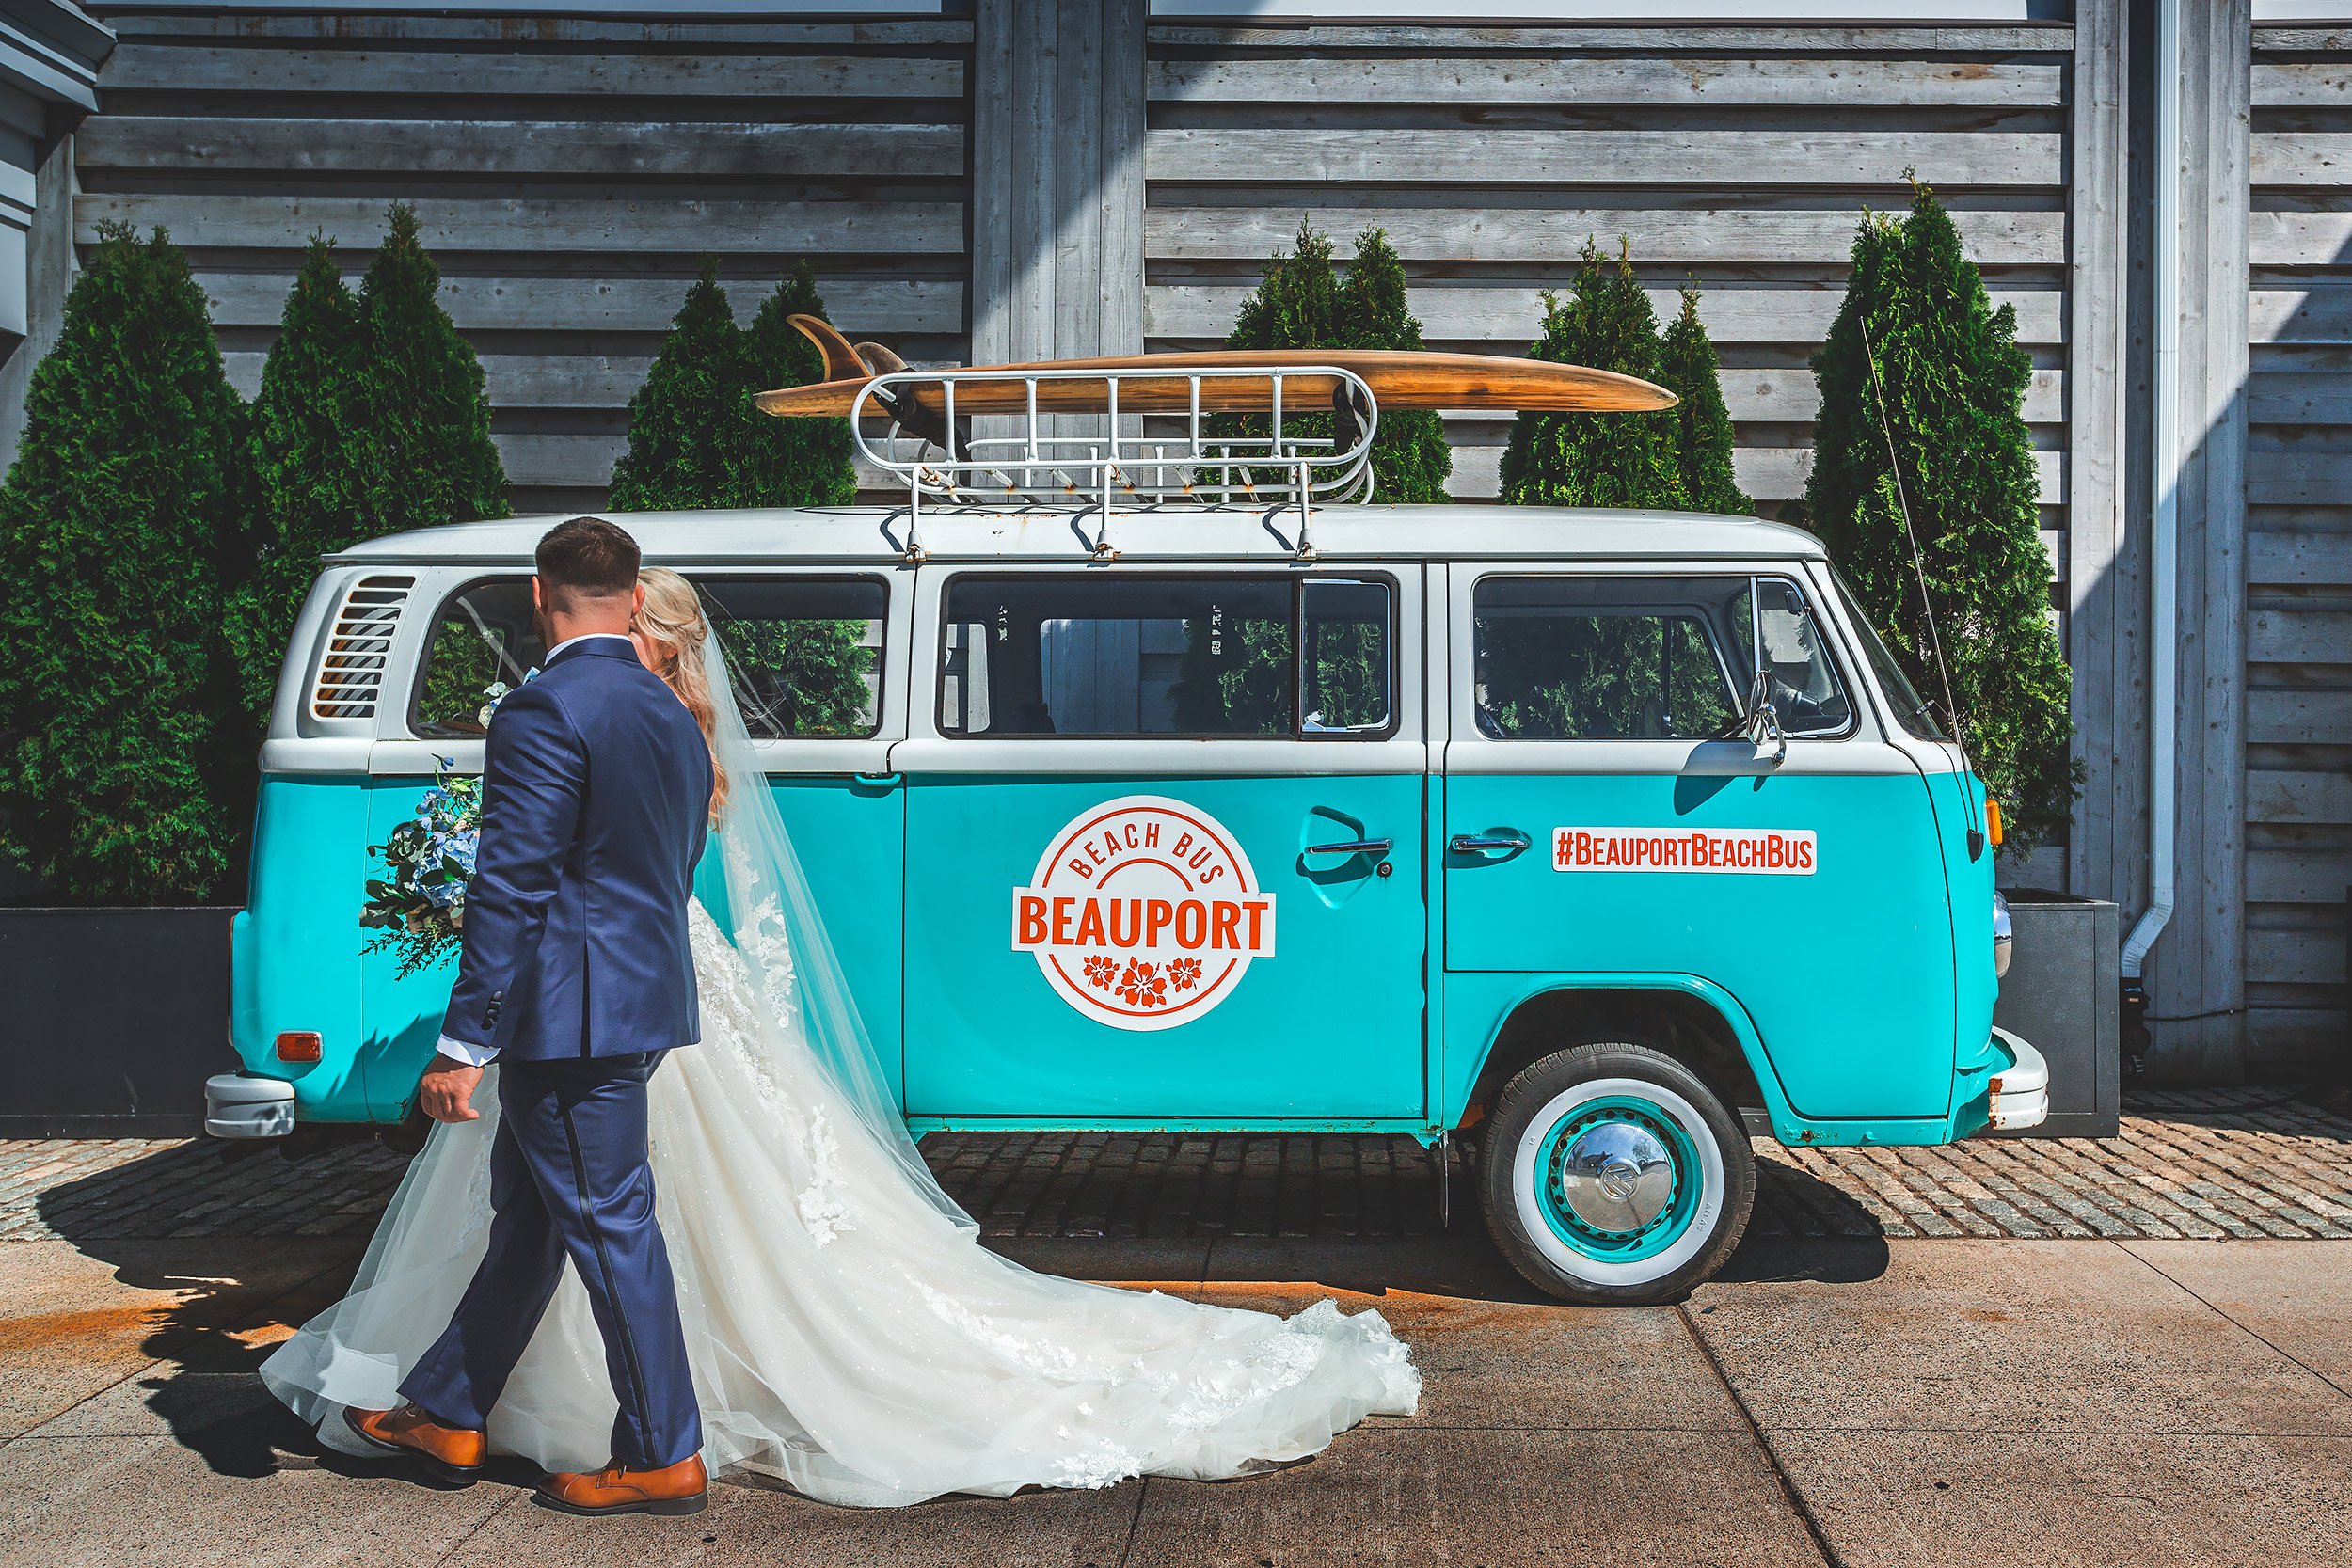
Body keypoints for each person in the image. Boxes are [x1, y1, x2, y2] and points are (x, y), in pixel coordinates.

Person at [264, 543, 1419, 1513]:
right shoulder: (669, 716)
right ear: (628, 598)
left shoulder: (541, 708)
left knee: (608, 1221)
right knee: (538, 1206)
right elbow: (659, 872)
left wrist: (466, 1043)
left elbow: (510, 884)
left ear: (539, 597)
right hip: (639, 992)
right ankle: (450, 1409)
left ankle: (660, 1446)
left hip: (569, 1011)